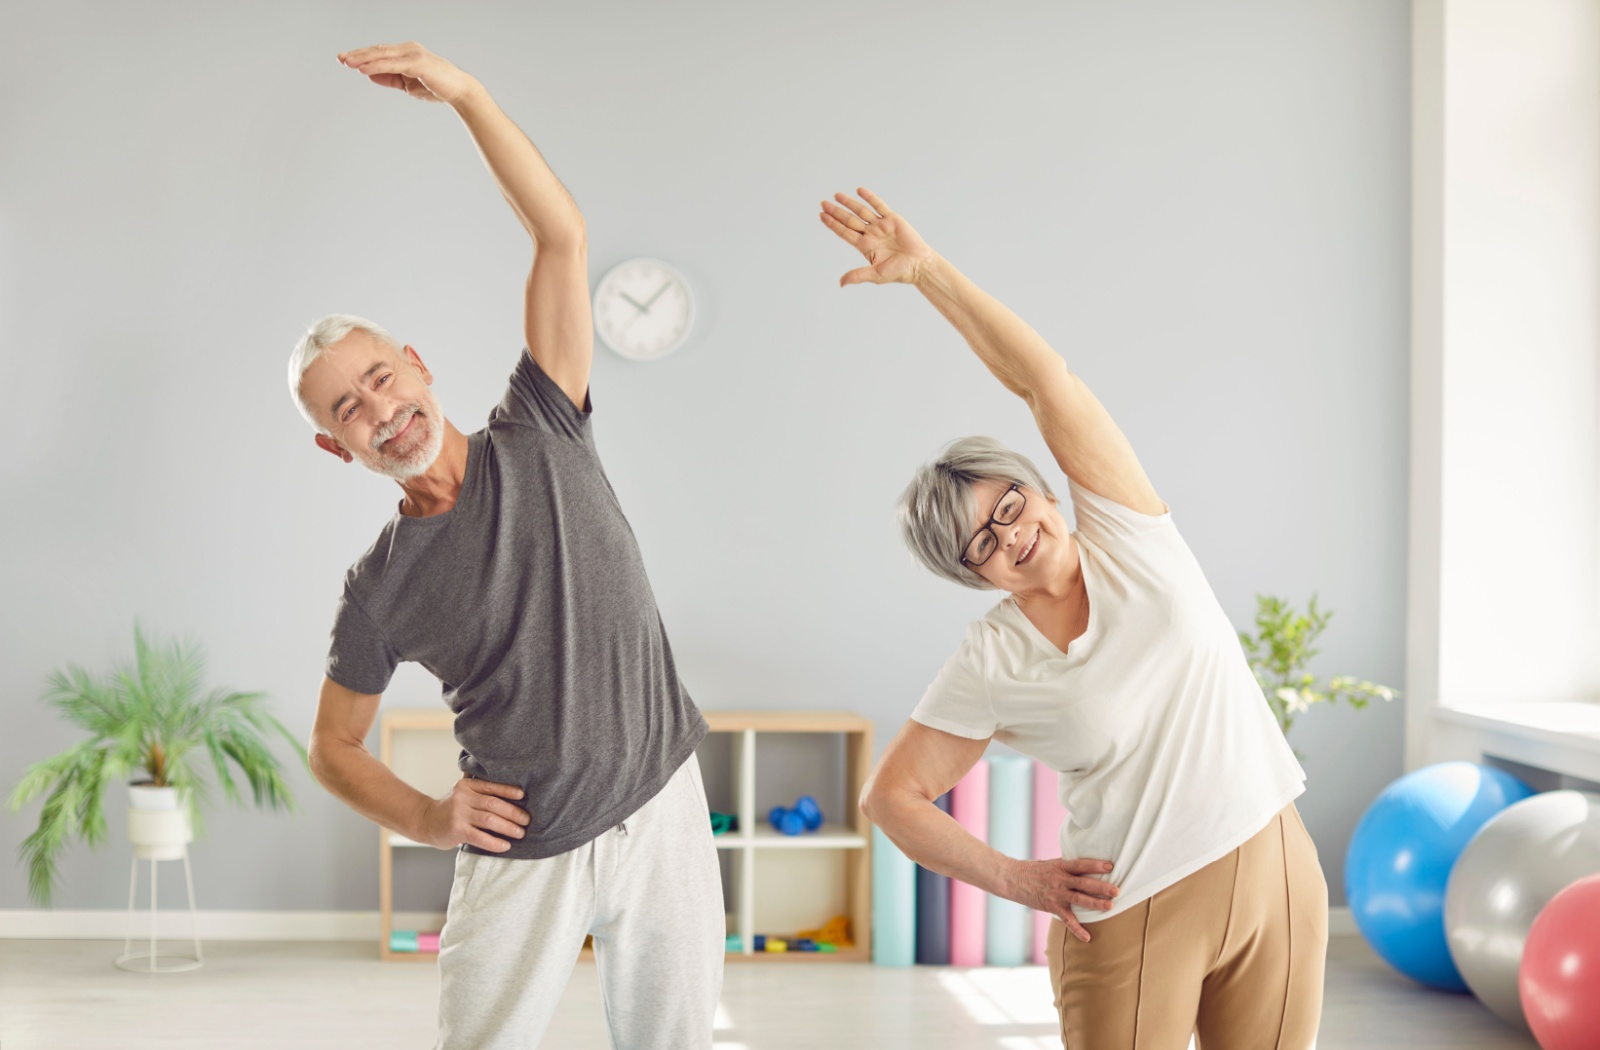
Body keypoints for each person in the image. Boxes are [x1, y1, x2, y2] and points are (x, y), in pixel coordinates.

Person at [290, 43, 722, 1050]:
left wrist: (469, 98)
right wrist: (431, 819)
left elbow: (560, 237)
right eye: (348, 410)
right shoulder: (377, 588)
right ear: (335, 445)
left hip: (660, 803)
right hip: (523, 848)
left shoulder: (541, 423)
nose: (378, 411)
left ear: (416, 366)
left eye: (381, 379)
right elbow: (332, 748)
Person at [822, 188, 1327, 1049]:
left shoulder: (1131, 535)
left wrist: (930, 274)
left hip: (1274, 867)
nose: (1011, 533)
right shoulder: (992, 660)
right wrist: (1018, 880)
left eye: (1011, 503)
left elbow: (1042, 378)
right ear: (969, 574)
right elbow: (892, 798)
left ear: (1047, 491)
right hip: (1129, 909)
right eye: (982, 541)